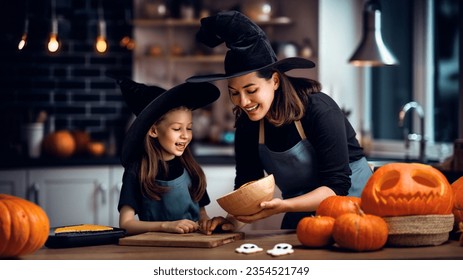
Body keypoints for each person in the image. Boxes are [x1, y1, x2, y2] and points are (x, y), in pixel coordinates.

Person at [187, 11, 373, 231]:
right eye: (234, 93)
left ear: (274, 81)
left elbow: (337, 187)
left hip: (354, 212)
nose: (243, 102)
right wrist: (230, 221)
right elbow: (249, 186)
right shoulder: (248, 126)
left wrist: (283, 206)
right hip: (301, 217)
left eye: (251, 90)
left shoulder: (319, 110)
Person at [115, 78, 220, 235]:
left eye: (189, 128)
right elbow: (126, 224)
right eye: (177, 129)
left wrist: (207, 224)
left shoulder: (191, 169)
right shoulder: (137, 171)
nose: (185, 136)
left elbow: (202, 215)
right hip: (152, 253)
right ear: (154, 131)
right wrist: (166, 226)